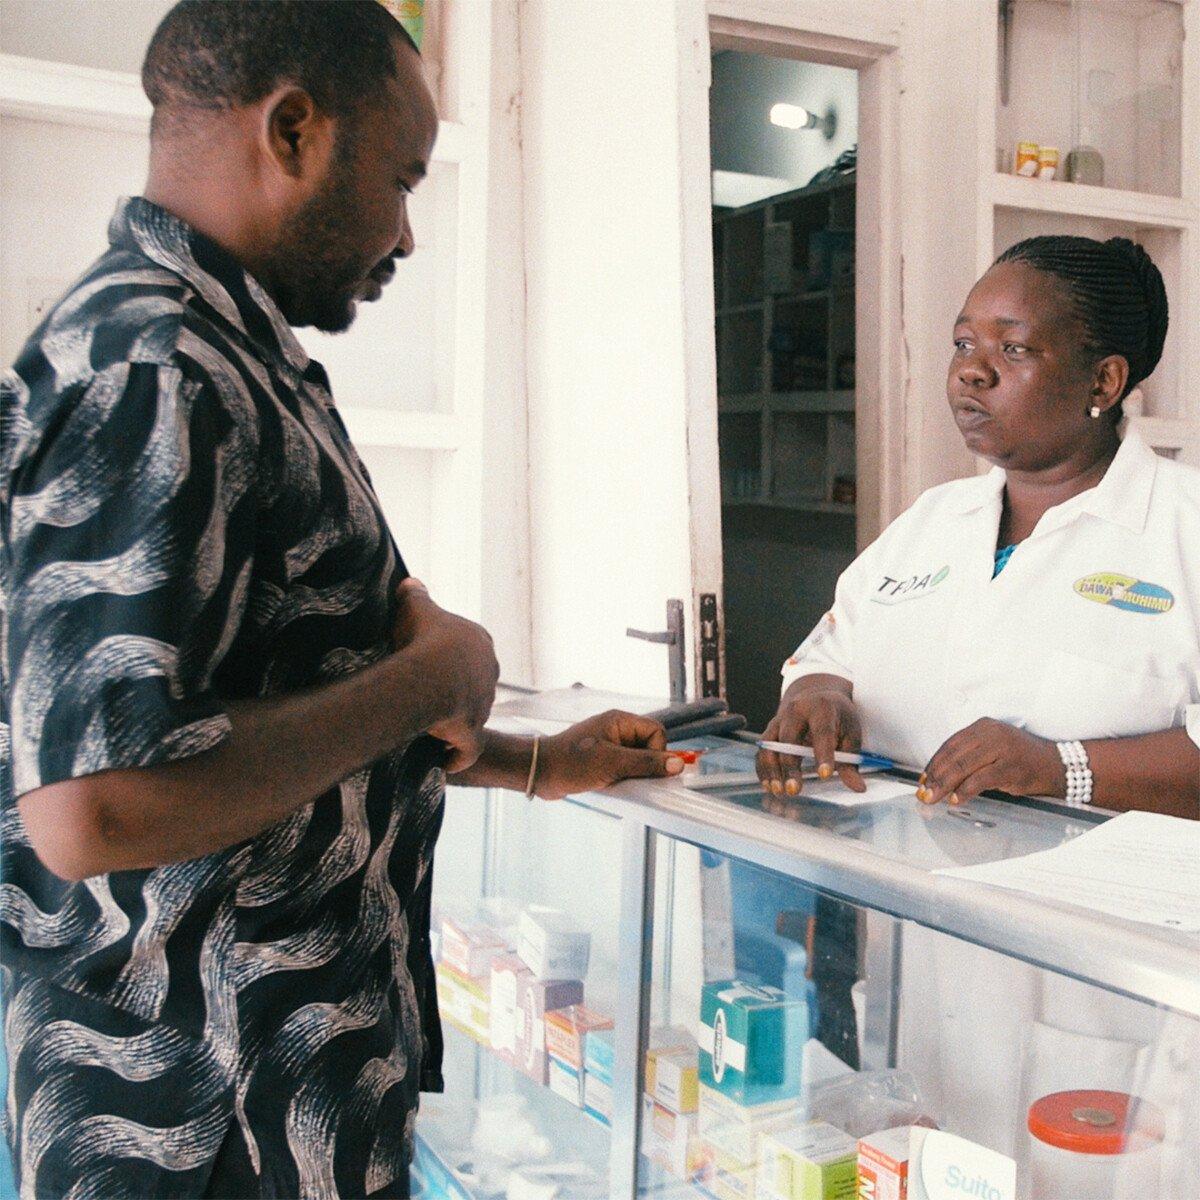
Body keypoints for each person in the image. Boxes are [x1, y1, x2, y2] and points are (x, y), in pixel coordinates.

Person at [0, 4, 683, 1197]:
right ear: (297, 130)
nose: (409, 231)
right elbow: (96, 804)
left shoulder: (232, 355)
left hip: (281, 1096)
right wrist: (437, 672)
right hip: (192, 1120)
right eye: (402, 176)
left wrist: (529, 760)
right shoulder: (156, 364)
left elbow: (269, 711)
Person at [758, 234, 1199, 820]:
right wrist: (818, 696)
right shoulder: (933, 518)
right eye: (964, 342)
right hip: (907, 890)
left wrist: (1059, 766)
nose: (971, 370)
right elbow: (828, 657)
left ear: (1103, 383)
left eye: (1013, 348)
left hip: (1098, 904)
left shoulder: (1183, 526)